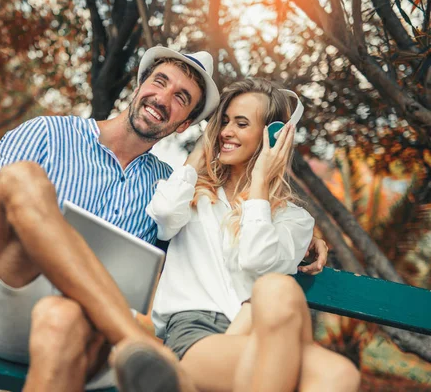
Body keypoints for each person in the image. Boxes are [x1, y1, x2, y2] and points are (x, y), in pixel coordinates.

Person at [0, 46, 328, 392]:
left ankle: (121, 334)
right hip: (5, 295)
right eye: (160, 82)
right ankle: (131, 339)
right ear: (139, 86)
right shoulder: (48, 133)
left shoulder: (166, 186)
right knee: (23, 180)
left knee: (61, 318)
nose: (163, 98)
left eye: (182, 98)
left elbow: (223, 225)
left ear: (185, 125)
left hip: (82, 325)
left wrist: (304, 236)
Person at [147, 78, 360, 391]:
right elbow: (164, 216)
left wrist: (260, 181)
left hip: (266, 330)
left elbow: (256, 260)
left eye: (241, 123)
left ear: (272, 137)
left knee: (339, 373)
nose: (225, 132)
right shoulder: (192, 194)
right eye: (224, 121)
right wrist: (200, 149)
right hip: (198, 332)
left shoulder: (295, 220)